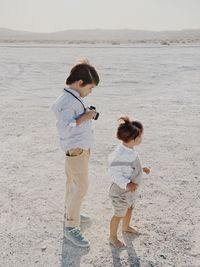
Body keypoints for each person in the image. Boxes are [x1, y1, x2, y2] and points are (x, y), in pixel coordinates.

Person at [52, 59, 100, 248]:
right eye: (90, 88)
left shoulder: (71, 98)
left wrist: (84, 114)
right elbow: (65, 129)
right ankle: (71, 226)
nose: (90, 92)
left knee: (73, 184)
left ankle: (71, 212)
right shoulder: (67, 101)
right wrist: (85, 117)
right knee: (80, 187)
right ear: (80, 83)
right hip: (76, 149)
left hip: (79, 149)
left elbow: (72, 120)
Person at [108, 116, 150, 248]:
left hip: (130, 191)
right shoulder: (118, 155)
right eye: (141, 136)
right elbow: (114, 174)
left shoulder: (129, 149)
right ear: (135, 139)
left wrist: (141, 169)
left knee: (130, 208)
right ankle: (112, 237)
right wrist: (126, 183)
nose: (142, 138)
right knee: (119, 214)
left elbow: (130, 167)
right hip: (120, 192)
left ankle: (126, 227)